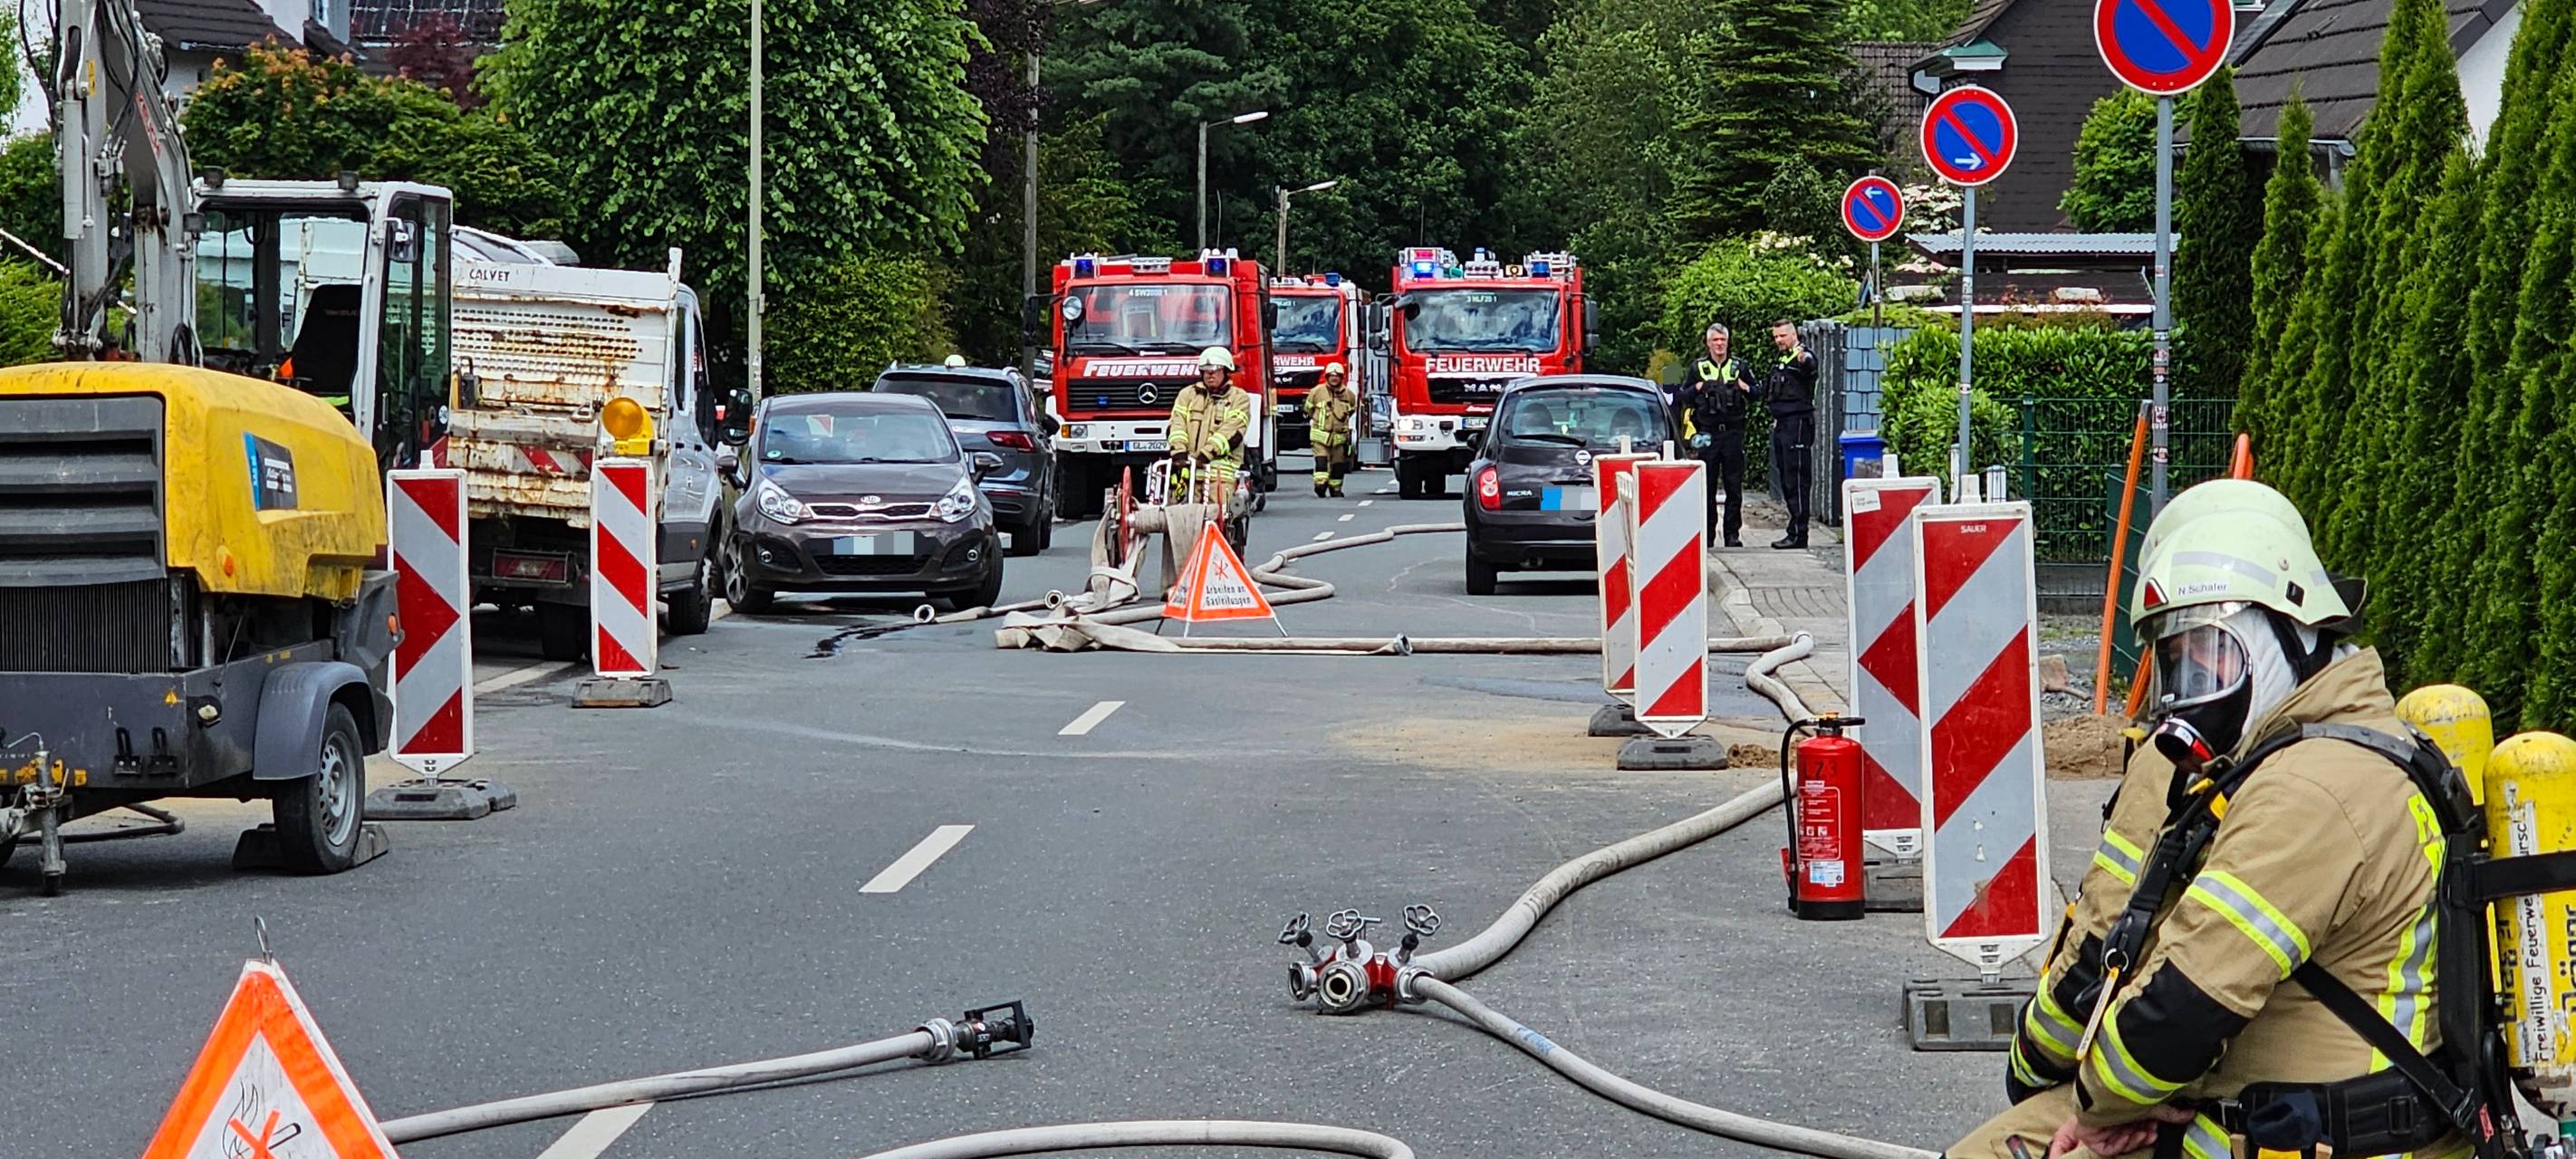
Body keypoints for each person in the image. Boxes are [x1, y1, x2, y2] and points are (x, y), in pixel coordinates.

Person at [1951, 478, 2472, 1159]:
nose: (2191, 691)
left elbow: (2177, 1012)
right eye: (2176, 664)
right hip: (2255, 1111)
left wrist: (2091, 1114)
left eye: (2210, 654)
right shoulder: (2284, 760)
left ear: (2292, 631)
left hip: (2315, 1134)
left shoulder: (2316, 790)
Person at [1675, 322, 1754, 547]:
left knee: (1733, 486)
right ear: (1708, 343)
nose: (1719, 345)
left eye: (1722, 340)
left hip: (1732, 434)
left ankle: (1731, 535)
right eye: (1715, 341)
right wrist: (1697, 388)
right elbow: (1682, 397)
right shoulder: (1698, 368)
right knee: (1707, 486)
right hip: (1707, 434)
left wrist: (1745, 387)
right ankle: (1708, 535)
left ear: (1728, 342)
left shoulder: (1739, 367)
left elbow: (1757, 393)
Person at [1168, 346, 1253, 504]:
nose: (1210, 375)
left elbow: (1232, 431)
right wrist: (1179, 452)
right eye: (1206, 370)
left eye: (1215, 370)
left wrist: (1206, 454)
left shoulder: (1239, 398)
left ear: (1226, 371)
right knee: (1177, 515)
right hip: (1187, 472)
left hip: (1220, 474)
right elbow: (1176, 424)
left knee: (1219, 515)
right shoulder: (1187, 395)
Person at [1762, 320, 1817, 549]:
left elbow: (1809, 366)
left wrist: (1805, 360)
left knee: (1797, 479)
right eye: (1776, 336)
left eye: (1783, 336)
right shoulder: (1782, 361)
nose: (1779, 340)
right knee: (1786, 478)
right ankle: (1793, 530)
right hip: (1783, 424)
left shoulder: (1802, 356)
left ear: (1794, 334)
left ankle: (1800, 534)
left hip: (1798, 425)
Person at [1307, 362, 1359, 499]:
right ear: (1327, 377)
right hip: (1320, 436)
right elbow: (1308, 408)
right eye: (1331, 376)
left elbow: (1353, 409)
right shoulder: (1317, 391)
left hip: (1339, 438)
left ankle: (1335, 489)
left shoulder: (1348, 394)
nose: (1334, 379)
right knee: (1321, 462)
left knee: (1338, 466)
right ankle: (1320, 485)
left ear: (1341, 378)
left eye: (1337, 376)